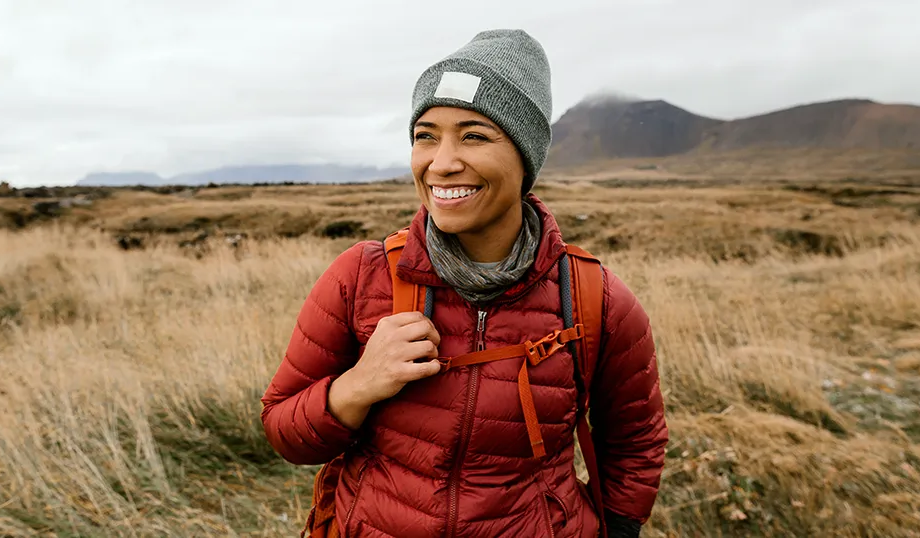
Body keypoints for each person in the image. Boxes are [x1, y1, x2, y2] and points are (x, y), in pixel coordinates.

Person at [261, 29, 668, 538]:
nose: (442, 162)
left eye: (474, 135)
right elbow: (285, 433)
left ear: (525, 156)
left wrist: (621, 528)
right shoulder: (362, 276)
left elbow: (635, 443)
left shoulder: (595, 299)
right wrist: (357, 386)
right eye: (425, 135)